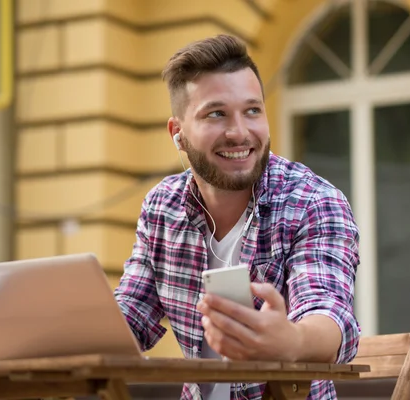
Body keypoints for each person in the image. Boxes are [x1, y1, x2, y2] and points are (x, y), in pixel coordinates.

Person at [114, 34, 361, 400]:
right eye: (216, 114)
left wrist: (289, 340)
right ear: (178, 134)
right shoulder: (161, 207)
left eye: (252, 111)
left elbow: (328, 315)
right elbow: (131, 317)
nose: (239, 132)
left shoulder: (312, 201)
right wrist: (51, 335)